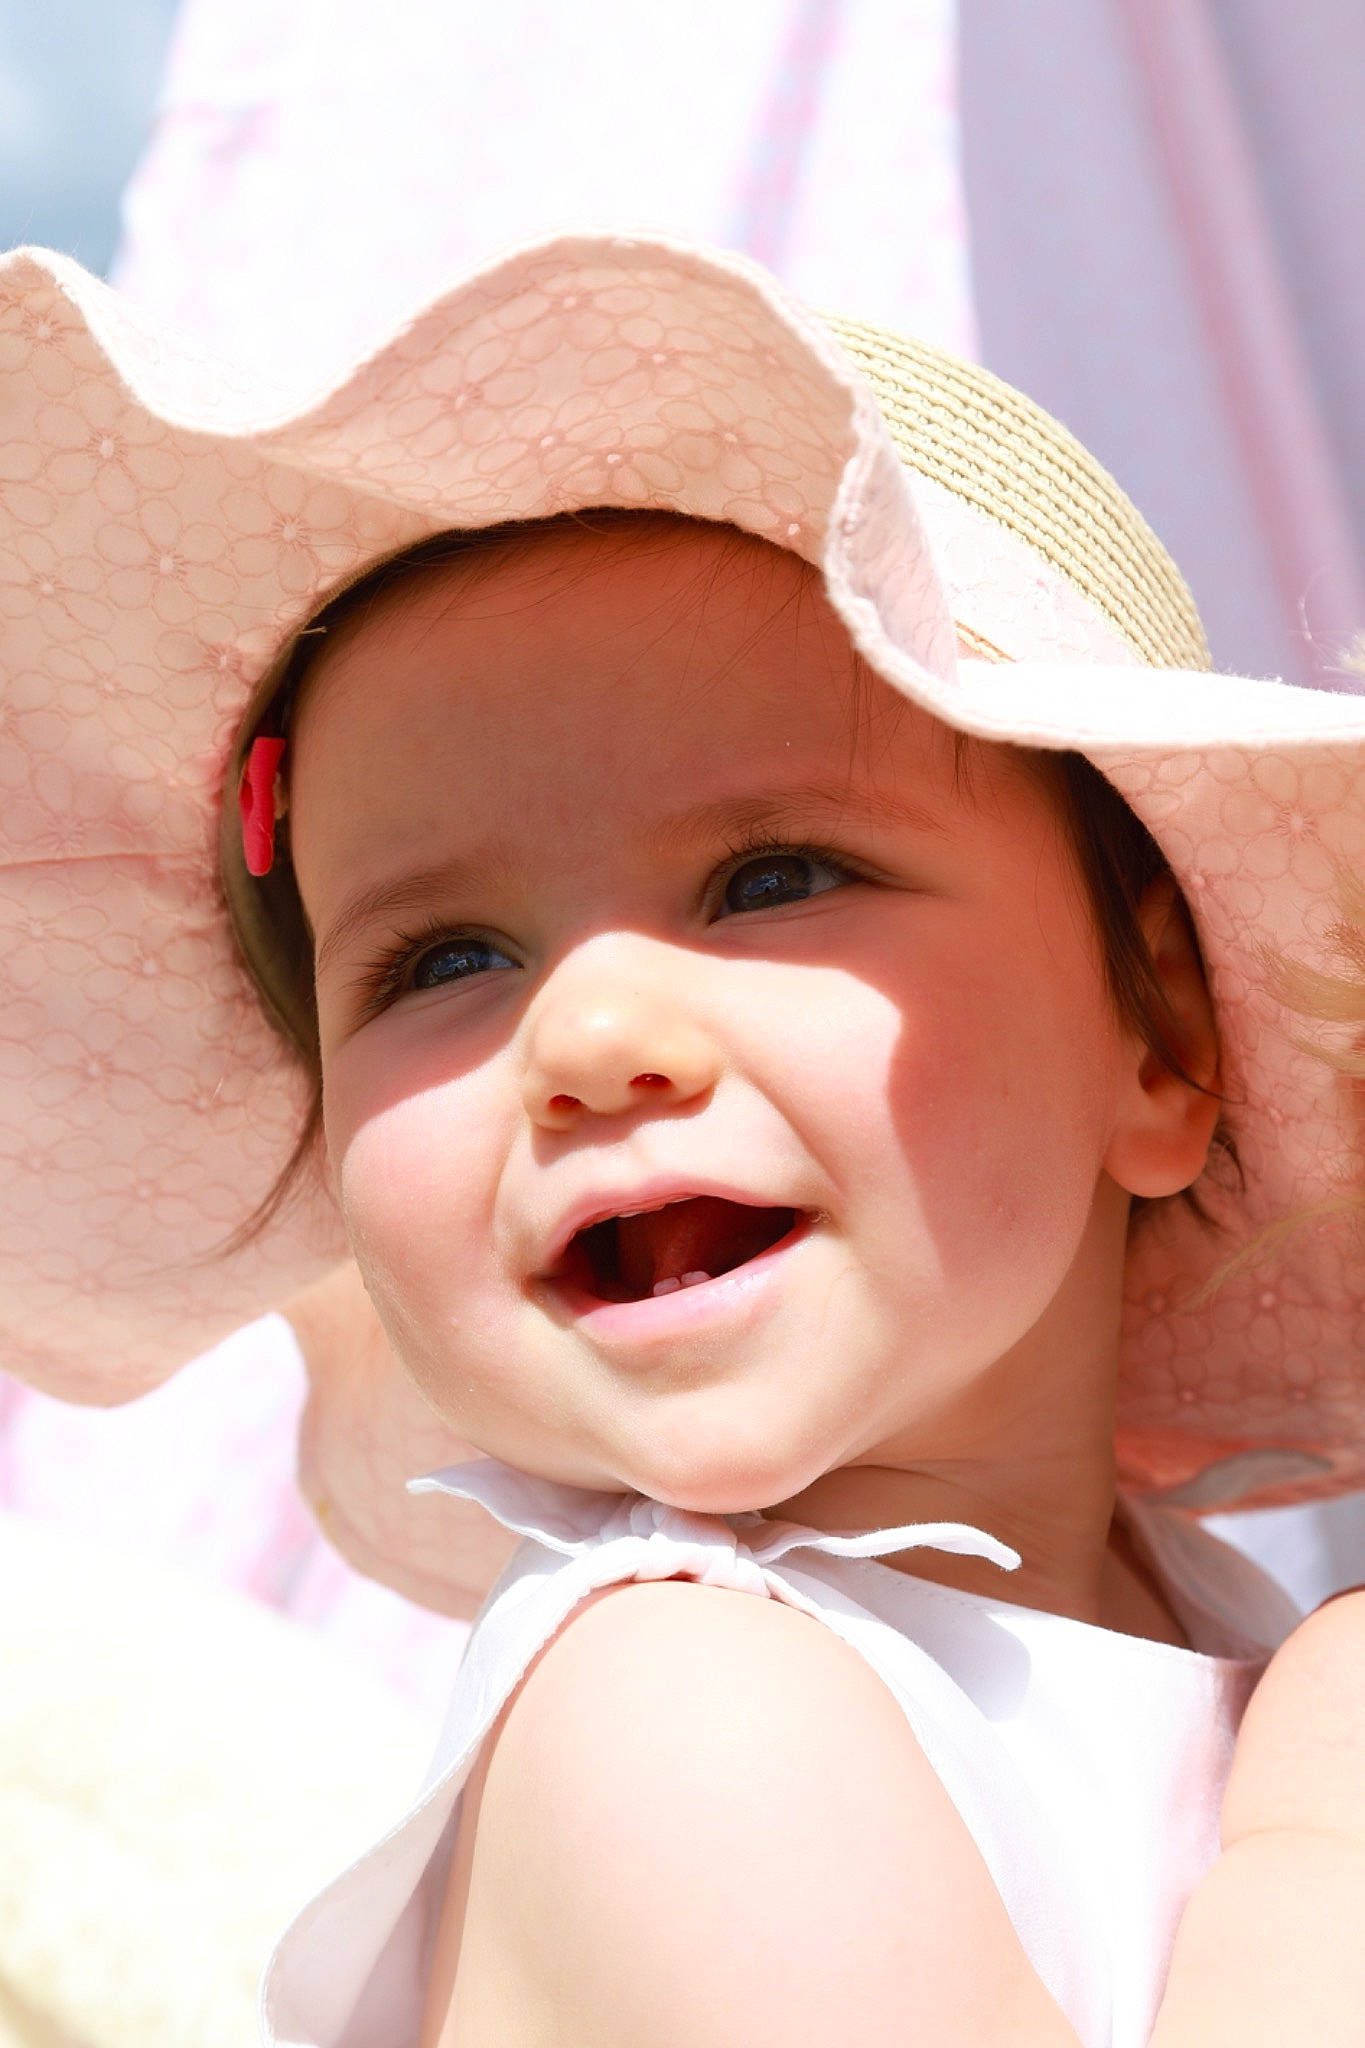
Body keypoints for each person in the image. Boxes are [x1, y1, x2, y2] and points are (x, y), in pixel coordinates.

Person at [3, 233, 1365, 2047]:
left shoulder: (1188, 1642)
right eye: (443, 960)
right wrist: (1320, 1837)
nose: (588, 1039)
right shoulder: (682, 1708)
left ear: (1159, 1045)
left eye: (771, 877)